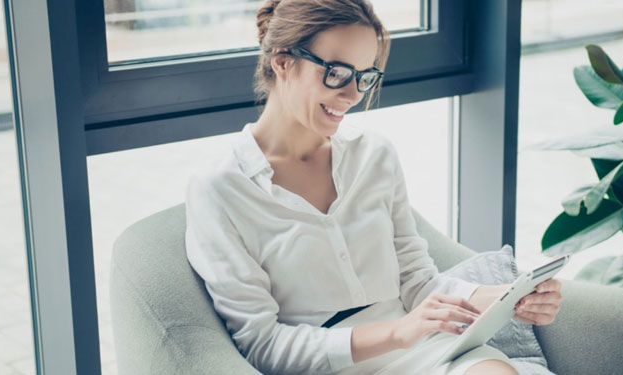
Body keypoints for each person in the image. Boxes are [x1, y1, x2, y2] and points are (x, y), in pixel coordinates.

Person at [184, 0, 563, 374]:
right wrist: (397, 332)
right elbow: (262, 345)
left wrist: (507, 298)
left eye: (365, 76)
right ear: (283, 62)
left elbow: (418, 281)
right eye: (336, 72)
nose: (352, 96)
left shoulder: (374, 155)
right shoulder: (220, 189)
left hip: (424, 346)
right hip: (328, 363)